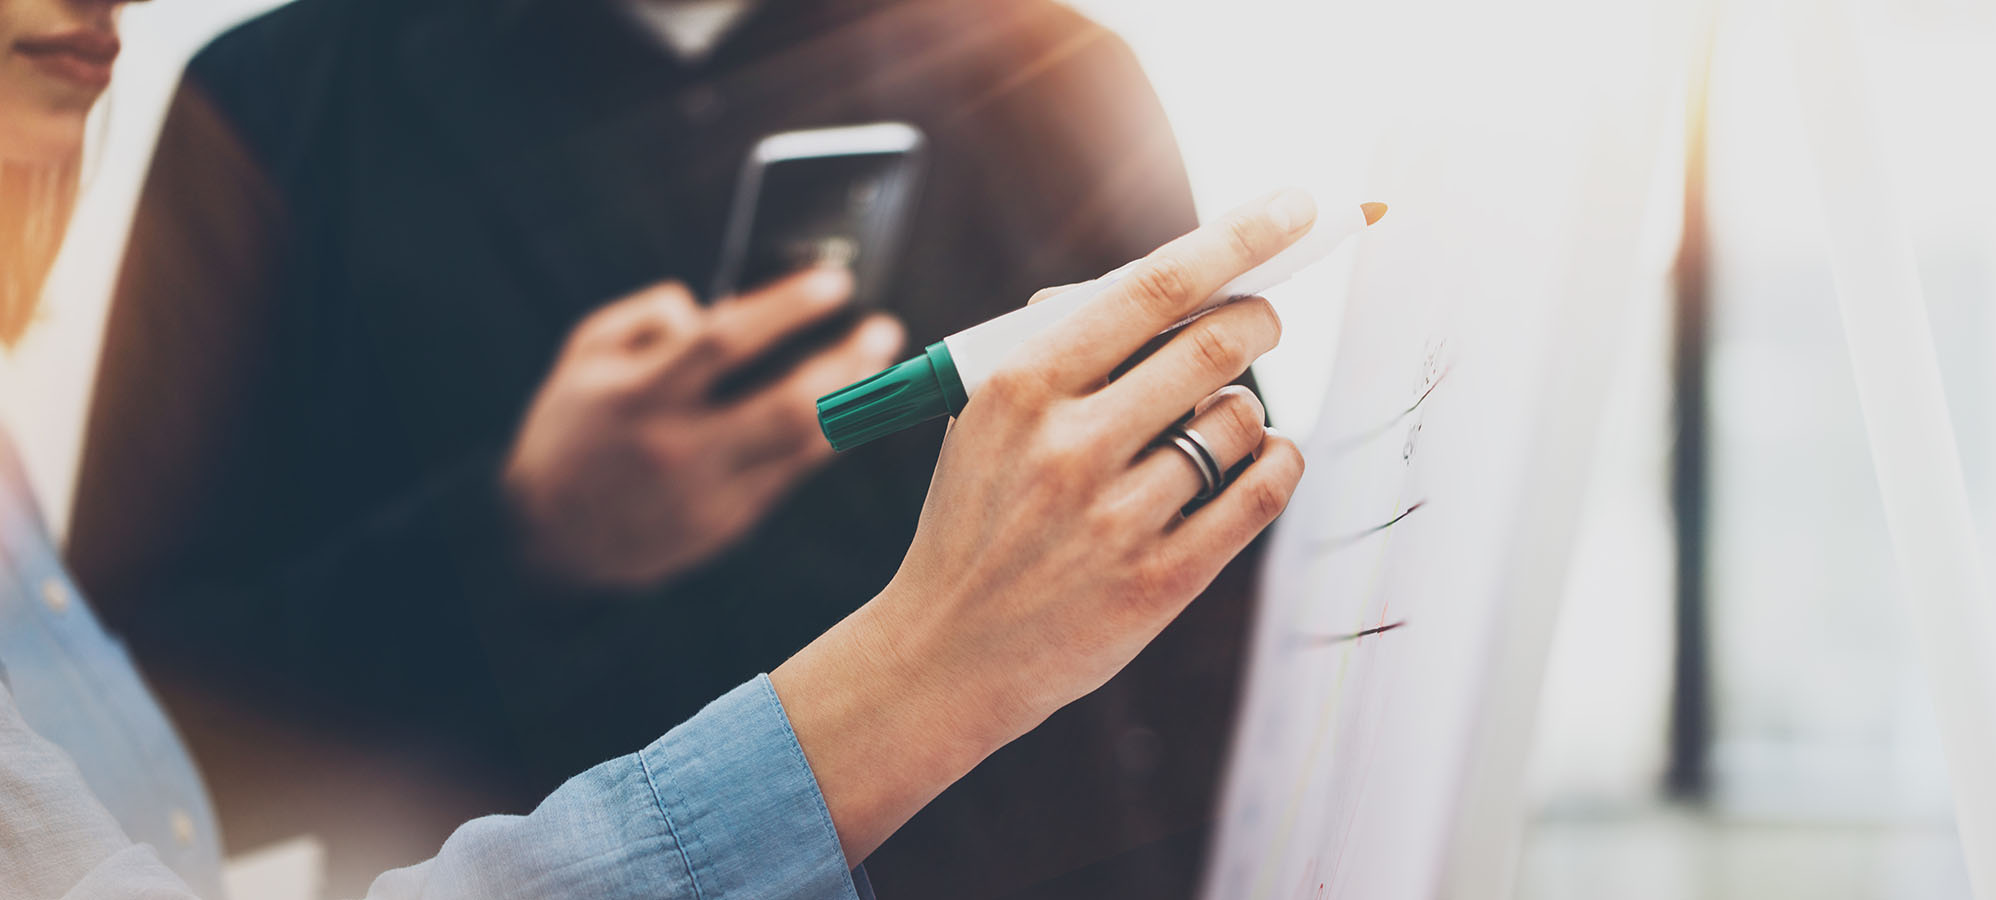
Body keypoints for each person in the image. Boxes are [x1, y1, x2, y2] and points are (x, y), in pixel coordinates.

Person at [0, 0, 1312, 896]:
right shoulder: (272, 101)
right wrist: (523, 535)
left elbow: (1225, 605)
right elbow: (128, 737)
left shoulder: (1040, 59)